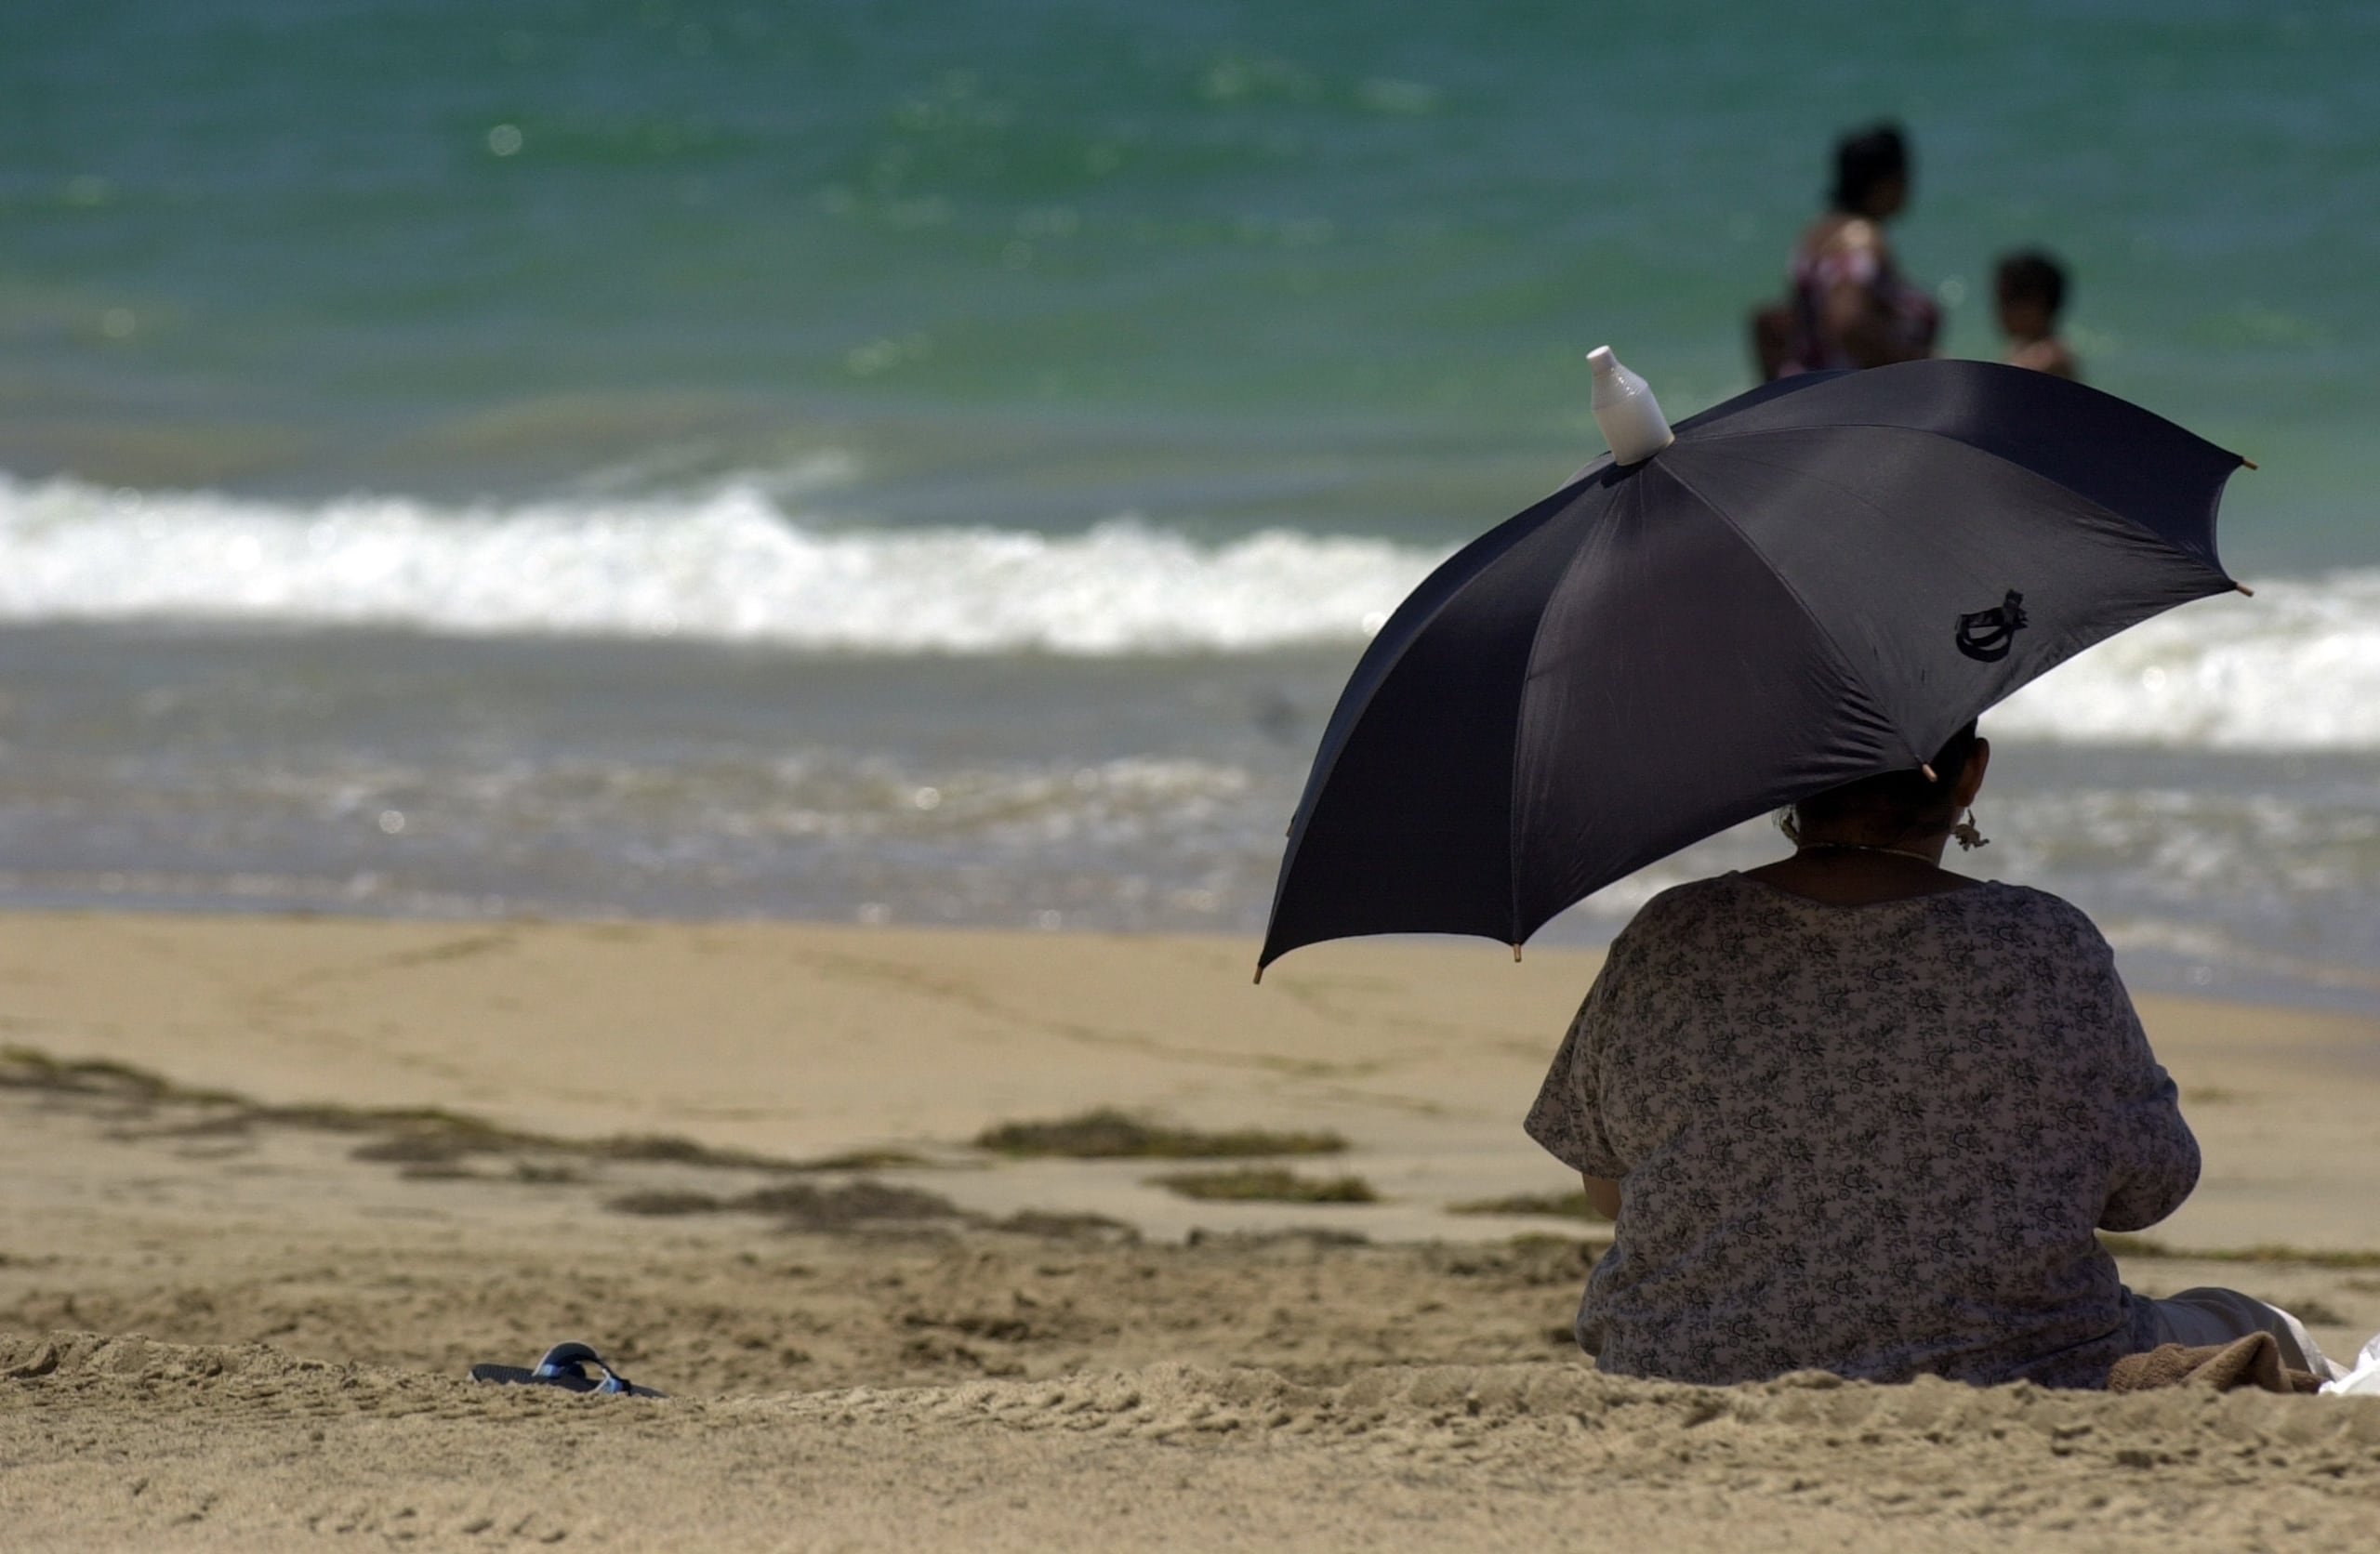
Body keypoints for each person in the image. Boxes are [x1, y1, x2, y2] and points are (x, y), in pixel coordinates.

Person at [1526, 723, 2339, 1389]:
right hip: (2019, 1369)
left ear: (1786, 780)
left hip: (1683, 1366)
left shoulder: (1670, 932)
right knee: (2258, 1329)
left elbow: (1609, 1191)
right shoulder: (2043, 943)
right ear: (1969, 776)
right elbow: (2149, 1191)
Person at [1751, 123, 1941, 381]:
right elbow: (1849, 323)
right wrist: (1917, 367)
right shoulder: (1860, 238)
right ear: (1886, 182)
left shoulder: (1817, 235)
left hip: (1813, 391)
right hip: (1858, 399)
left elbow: (1773, 322)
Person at [1996, 249, 2080, 379]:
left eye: (2007, 301)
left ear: (2036, 303)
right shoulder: (2021, 349)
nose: (2000, 312)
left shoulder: (2049, 360)